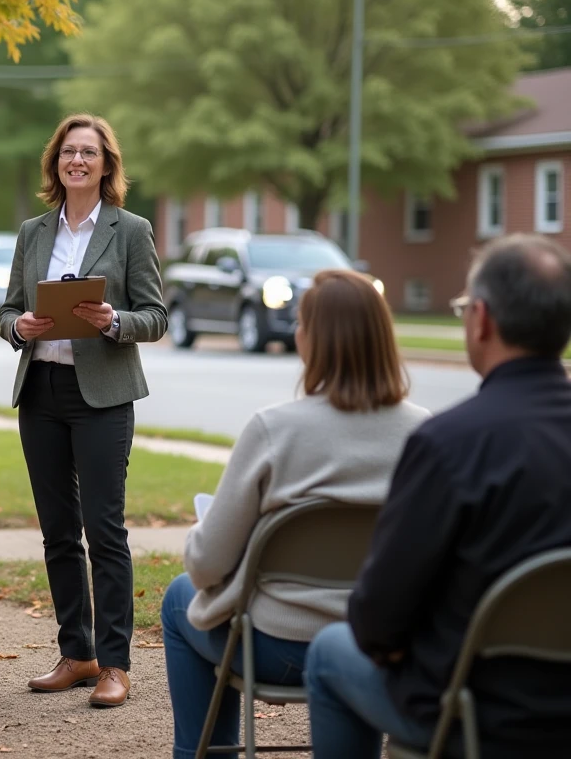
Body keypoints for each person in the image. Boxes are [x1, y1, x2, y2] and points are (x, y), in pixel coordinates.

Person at [305, 234, 571, 758]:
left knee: (330, 651)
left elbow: (378, 620)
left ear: (481, 320)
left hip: (477, 709)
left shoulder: (449, 443)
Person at [160, 269, 429, 758]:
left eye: (302, 323)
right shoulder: (425, 436)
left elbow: (206, 565)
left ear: (313, 341)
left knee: (179, 599)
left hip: (276, 646)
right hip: (384, 645)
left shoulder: (273, 430)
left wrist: (207, 530)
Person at [0, 113, 168, 707]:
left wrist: (114, 321)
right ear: (56, 163)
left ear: (106, 165)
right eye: (68, 152)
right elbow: (7, 311)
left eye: (88, 153)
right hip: (40, 392)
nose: (77, 161)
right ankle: (77, 653)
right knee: (57, 533)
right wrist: (18, 326)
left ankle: (115, 665)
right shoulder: (33, 232)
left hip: (102, 397)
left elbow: (156, 316)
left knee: (104, 530)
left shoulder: (131, 230)